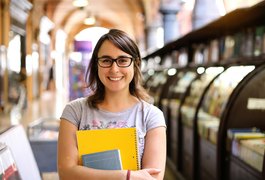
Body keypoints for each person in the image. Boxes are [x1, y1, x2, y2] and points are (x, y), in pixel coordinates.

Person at [58, 29, 167, 180]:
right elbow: (66, 173)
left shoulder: (151, 116)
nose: (114, 69)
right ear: (97, 65)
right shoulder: (74, 112)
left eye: (122, 60)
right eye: (106, 60)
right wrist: (127, 176)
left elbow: (153, 178)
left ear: (135, 64)